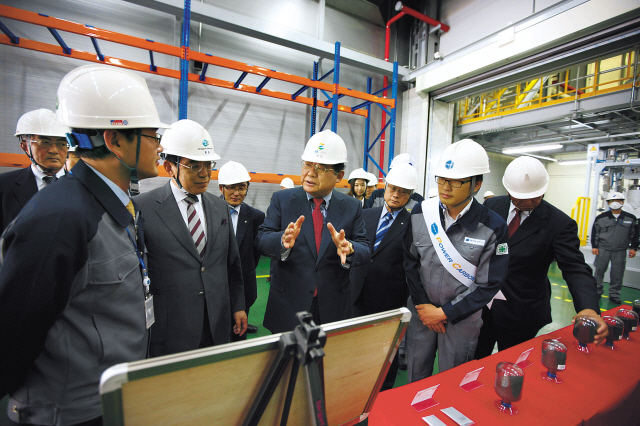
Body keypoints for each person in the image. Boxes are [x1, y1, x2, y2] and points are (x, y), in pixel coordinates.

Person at [0, 64, 168, 425]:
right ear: (115, 140)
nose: (159, 145)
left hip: (107, 400)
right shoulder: (60, 218)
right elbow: (15, 330)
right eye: (153, 134)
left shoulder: (116, 205)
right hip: (67, 413)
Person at [475, 156, 607, 359]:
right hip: (480, 308)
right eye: (520, 197)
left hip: (521, 312)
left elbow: (575, 268)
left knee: (512, 365)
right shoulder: (492, 207)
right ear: (508, 189)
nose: (528, 202)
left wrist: (588, 308)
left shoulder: (559, 224)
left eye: (535, 196)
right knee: (474, 363)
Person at [135, 120, 247, 356]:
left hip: (216, 320)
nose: (205, 174)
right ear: (170, 167)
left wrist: (238, 306)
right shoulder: (142, 208)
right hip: (170, 326)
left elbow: (231, 264)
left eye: (208, 165)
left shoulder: (220, 208)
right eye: (194, 166)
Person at [403, 139, 509, 382]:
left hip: (462, 320)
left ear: (476, 185)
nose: (445, 187)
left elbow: (489, 283)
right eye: (441, 179)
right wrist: (424, 308)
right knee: (415, 377)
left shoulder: (493, 226)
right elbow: (409, 261)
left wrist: (445, 313)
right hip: (422, 313)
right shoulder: (422, 212)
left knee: (452, 381)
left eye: (456, 181)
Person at [256, 130, 370, 333]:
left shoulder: (352, 207)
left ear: (339, 176)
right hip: (289, 303)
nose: (310, 173)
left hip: (332, 305)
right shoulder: (282, 200)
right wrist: (281, 241)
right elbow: (262, 239)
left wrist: (350, 248)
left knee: (328, 362)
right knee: (287, 363)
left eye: (321, 168)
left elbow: (365, 247)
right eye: (307, 164)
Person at [351, 163, 418, 390]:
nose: (396, 195)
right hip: (356, 295)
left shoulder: (412, 225)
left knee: (384, 351)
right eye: (393, 188)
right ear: (385, 186)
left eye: (403, 192)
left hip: (388, 300)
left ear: (410, 196)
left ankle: (383, 391)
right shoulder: (365, 215)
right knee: (354, 346)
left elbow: (412, 266)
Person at [1, 109, 70, 233]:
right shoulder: (4, 186)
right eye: (44, 142)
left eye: (61, 143)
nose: (53, 150)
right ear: (25, 146)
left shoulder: (84, 187)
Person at [218, 160, 265, 339]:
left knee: (239, 334)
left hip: (245, 287)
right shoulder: (209, 211)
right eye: (231, 188)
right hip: (217, 285)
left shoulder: (256, 217)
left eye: (242, 188)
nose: (236, 193)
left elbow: (255, 254)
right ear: (221, 187)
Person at [591, 192, 639, 304]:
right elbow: (595, 233)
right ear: (608, 203)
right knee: (599, 271)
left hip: (620, 250)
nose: (615, 203)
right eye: (612, 201)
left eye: (617, 200)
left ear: (622, 202)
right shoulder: (601, 218)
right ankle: (596, 291)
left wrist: (634, 248)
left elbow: (635, 234)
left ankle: (614, 294)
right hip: (603, 249)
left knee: (617, 273)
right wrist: (594, 246)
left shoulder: (631, 218)